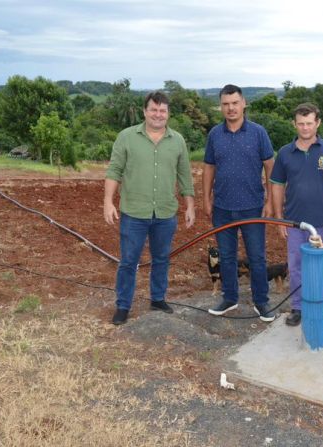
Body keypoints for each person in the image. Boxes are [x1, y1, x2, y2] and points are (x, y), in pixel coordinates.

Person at [104, 91, 196, 325]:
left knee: (162, 258)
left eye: (162, 110)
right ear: (145, 111)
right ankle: (123, 306)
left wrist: (190, 206)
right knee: (128, 261)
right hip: (134, 212)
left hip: (165, 212)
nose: (157, 114)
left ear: (168, 114)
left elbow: (185, 175)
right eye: (153, 109)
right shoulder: (126, 137)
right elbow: (114, 170)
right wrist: (108, 202)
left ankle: (157, 298)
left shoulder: (178, 141)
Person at [203, 84, 276, 322]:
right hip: (222, 207)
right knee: (226, 256)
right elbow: (209, 167)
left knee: (257, 257)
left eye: (235, 103)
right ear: (221, 107)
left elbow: (269, 166)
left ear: (244, 103)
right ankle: (229, 298)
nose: (230, 108)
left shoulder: (258, 133)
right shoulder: (215, 134)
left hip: (253, 205)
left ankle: (261, 301)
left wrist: (269, 200)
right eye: (226, 104)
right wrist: (206, 198)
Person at [270, 103, 323, 329]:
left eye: (309, 123)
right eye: (300, 124)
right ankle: (298, 307)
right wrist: (279, 217)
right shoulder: (284, 153)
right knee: (296, 265)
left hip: (322, 221)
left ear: (317, 123)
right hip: (294, 222)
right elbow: (277, 185)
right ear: (294, 124)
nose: (305, 128)